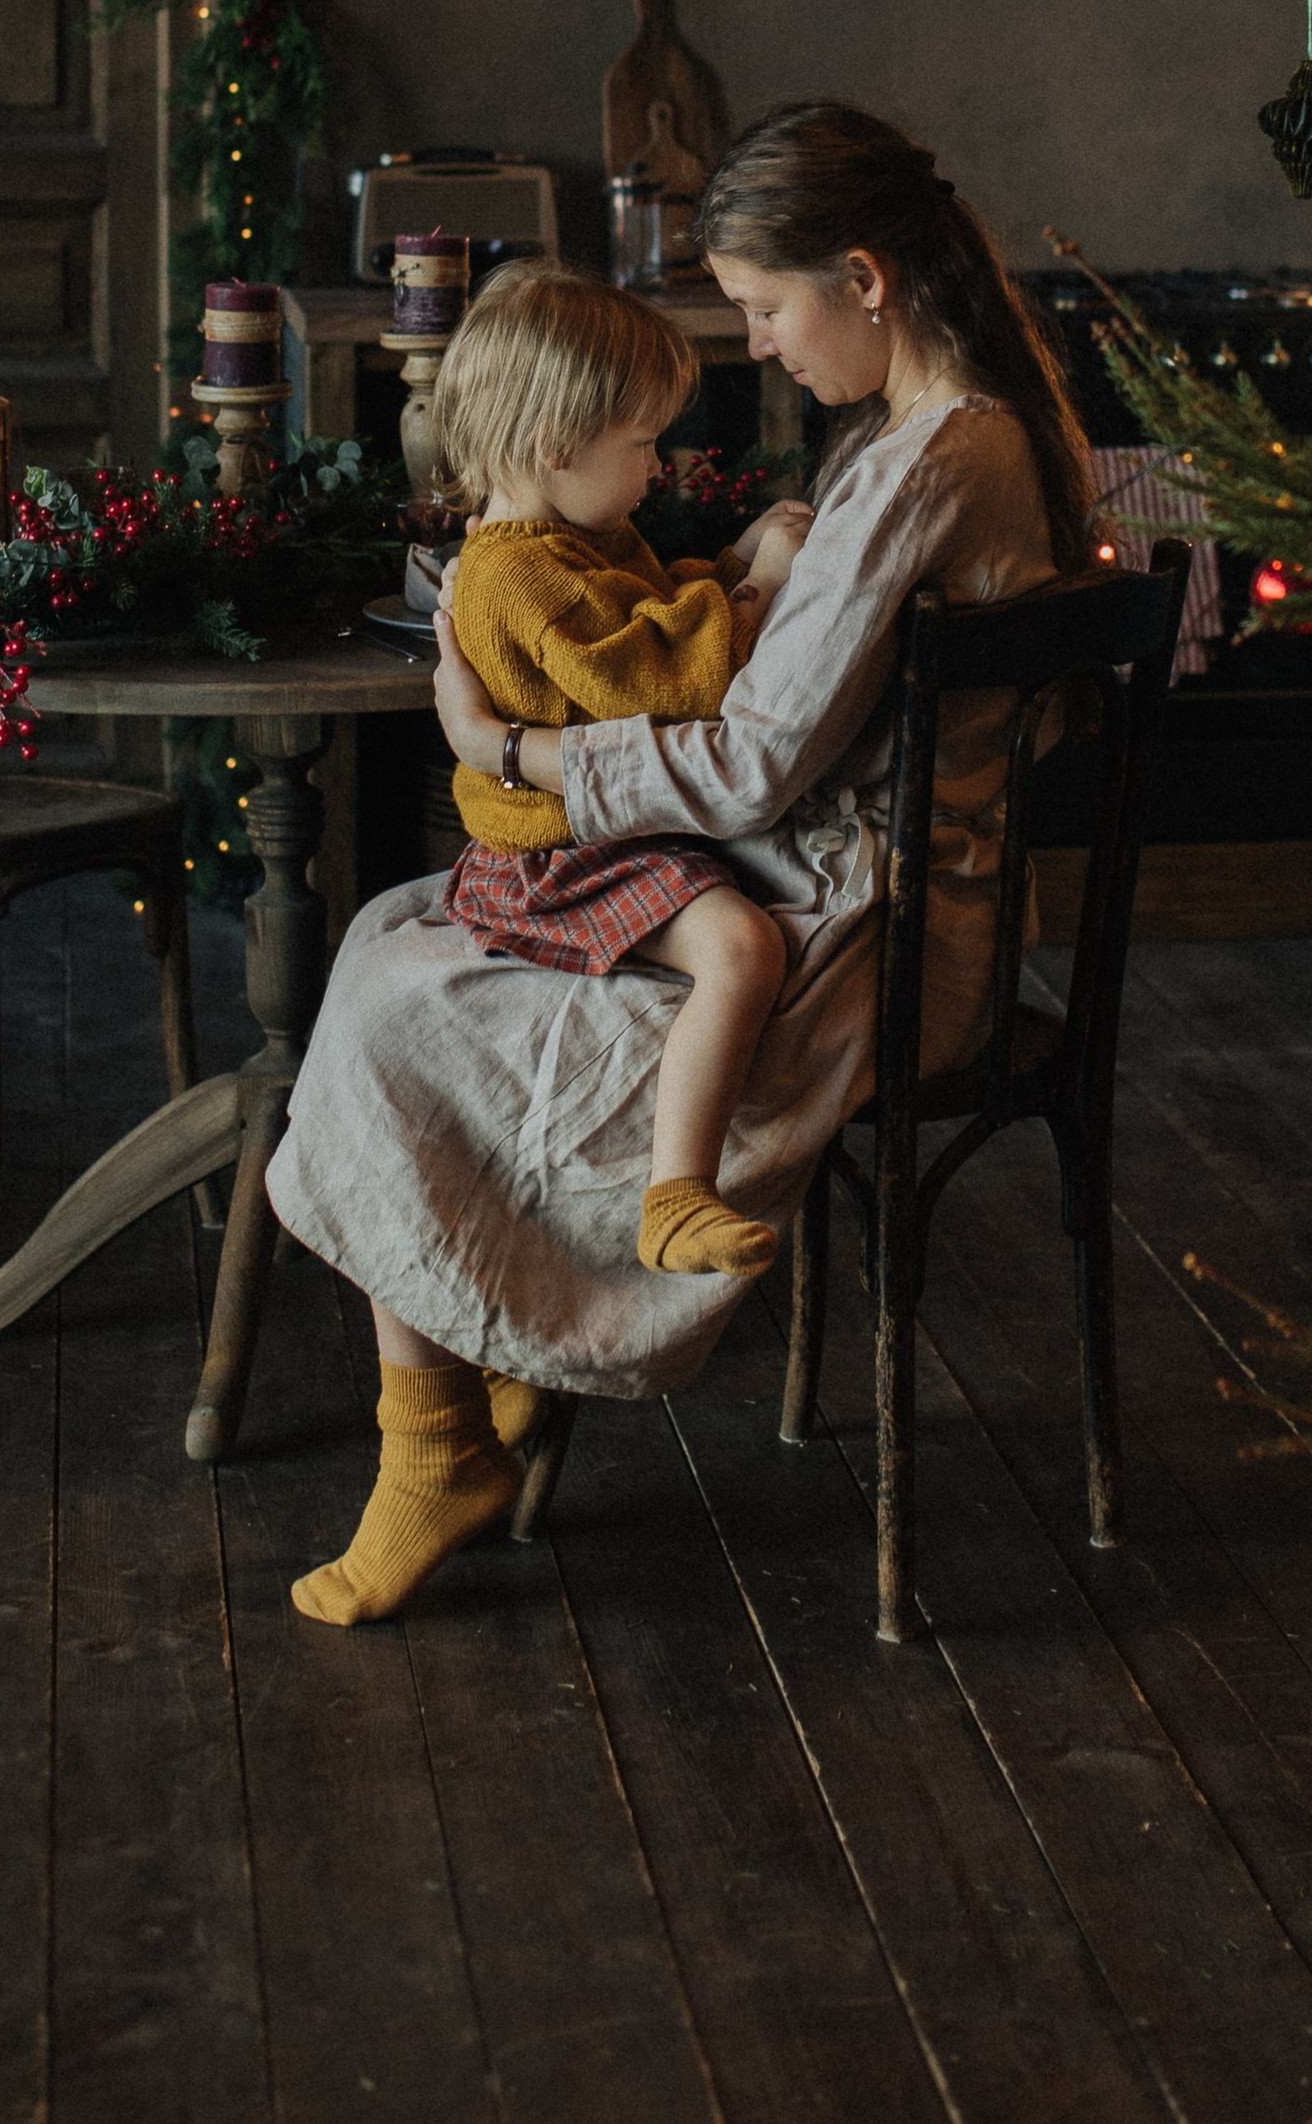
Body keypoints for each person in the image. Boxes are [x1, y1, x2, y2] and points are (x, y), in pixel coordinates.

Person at [266, 99, 1095, 1628]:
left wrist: (514, 761)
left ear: (864, 278)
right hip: (893, 900)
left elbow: (755, 763)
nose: (764, 350)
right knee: (399, 933)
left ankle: (434, 1437)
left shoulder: (928, 461)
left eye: (770, 310)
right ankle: (487, 1376)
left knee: (395, 997)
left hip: (874, 947)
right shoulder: (961, 431)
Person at [428, 259, 816, 1292]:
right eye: (643, 442)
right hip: (553, 857)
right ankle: (676, 1197)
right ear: (555, 445)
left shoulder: (570, 533)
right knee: (741, 948)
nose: (663, 466)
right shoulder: (514, 570)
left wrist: (731, 566)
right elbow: (644, 674)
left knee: (747, 931)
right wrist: (763, 594)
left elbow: (642, 601)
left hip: (604, 831)